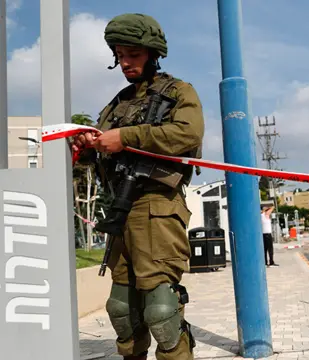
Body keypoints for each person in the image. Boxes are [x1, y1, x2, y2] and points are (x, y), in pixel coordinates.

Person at [71, 13, 204, 360]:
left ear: (152, 53)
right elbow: (100, 155)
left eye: (133, 54)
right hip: (120, 209)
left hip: (157, 206)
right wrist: (88, 147)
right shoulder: (116, 104)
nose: (125, 61)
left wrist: (125, 137)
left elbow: (188, 134)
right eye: (120, 54)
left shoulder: (178, 92)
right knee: (121, 311)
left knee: (161, 311)